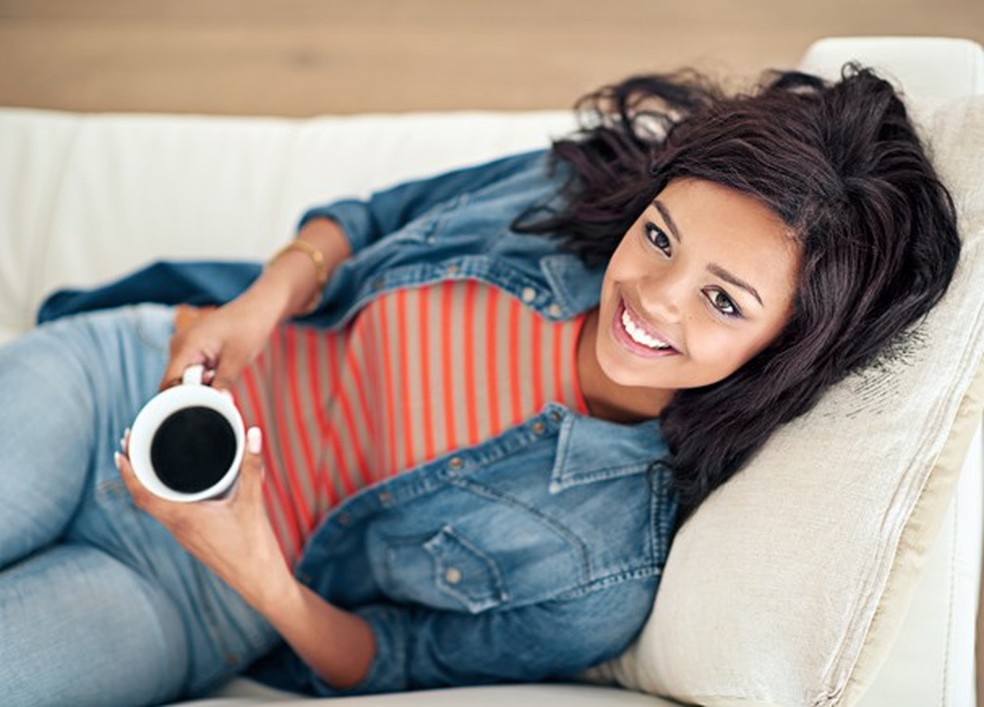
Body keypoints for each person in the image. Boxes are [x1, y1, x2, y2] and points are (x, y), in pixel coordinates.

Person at [0, 63, 960, 706]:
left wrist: (252, 565)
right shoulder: (555, 198)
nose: (655, 300)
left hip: (191, 587)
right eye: (661, 237)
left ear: (784, 347)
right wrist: (260, 300)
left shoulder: (602, 569)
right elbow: (370, 215)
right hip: (124, 379)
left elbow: (387, 659)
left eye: (723, 300)